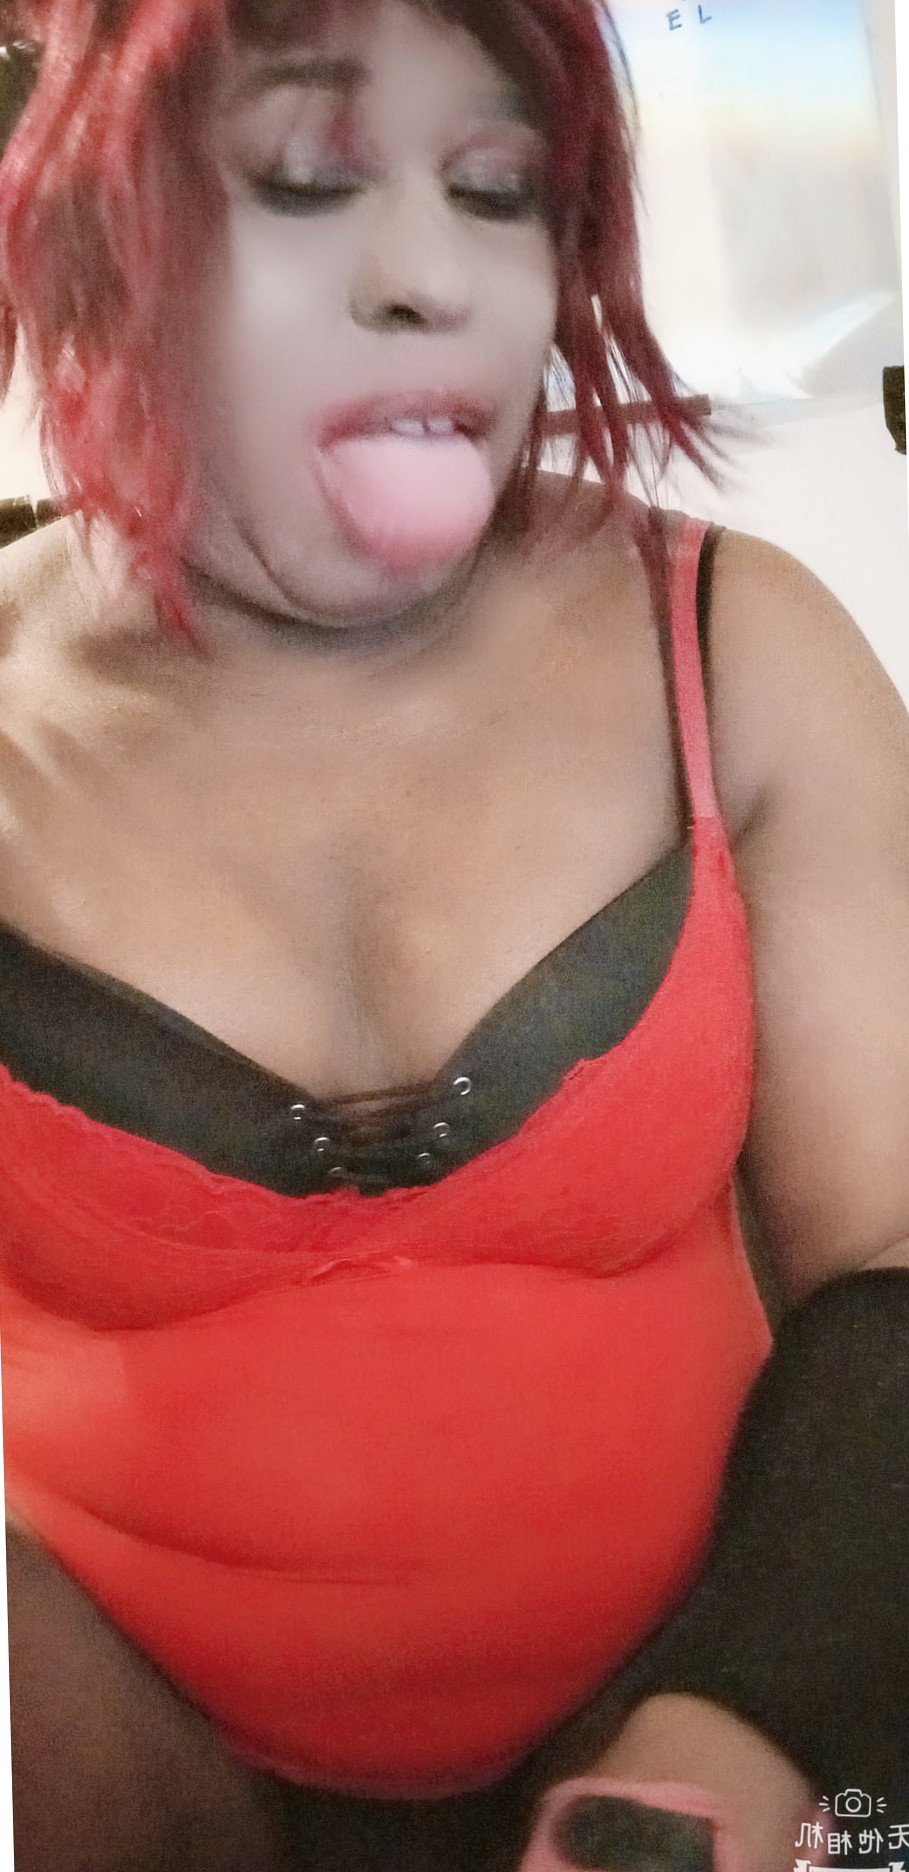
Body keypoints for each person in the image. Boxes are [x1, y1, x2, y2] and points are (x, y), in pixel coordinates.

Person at [0, 3, 907, 1870]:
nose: (433, 277)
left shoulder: (742, 643)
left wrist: (742, 1720)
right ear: (98, 229)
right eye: (304, 177)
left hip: (721, 1686)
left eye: (494, 189)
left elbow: (897, 1257)